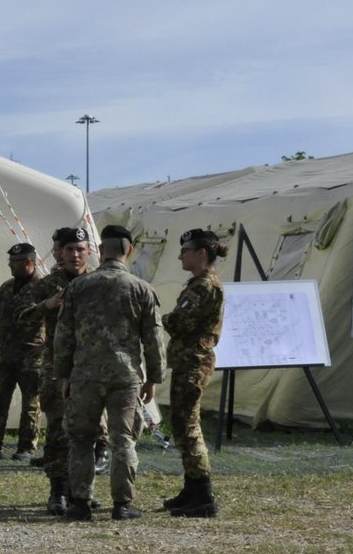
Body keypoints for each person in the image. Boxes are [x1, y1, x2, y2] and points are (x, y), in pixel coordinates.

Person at [54, 223, 165, 521]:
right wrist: (154, 378)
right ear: (129, 251)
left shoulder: (78, 287)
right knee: (123, 440)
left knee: (80, 439)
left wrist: (63, 375)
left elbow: (63, 335)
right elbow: (153, 338)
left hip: (84, 376)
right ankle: (122, 504)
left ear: (100, 251)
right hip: (124, 377)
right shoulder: (141, 289)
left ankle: (79, 502)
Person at [161, 228, 227, 518]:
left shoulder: (204, 286)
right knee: (181, 424)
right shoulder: (198, 283)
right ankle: (192, 487)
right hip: (188, 361)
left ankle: (202, 493)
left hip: (193, 362)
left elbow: (179, 322)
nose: (180, 256)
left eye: (185, 251)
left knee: (188, 426)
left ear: (202, 253)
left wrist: (158, 317)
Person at [30, 227, 93, 514]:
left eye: (80, 249)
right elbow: (19, 315)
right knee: (57, 428)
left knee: (87, 430)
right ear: (61, 252)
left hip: (91, 366)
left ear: (89, 251)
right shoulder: (47, 284)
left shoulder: (97, 282)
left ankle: (82, 490)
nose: (75, 254)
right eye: (70, 249)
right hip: (57, 366)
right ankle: (58, 490)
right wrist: (47, 305)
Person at [0, 242, 45, 460]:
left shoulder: (44, 287)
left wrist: (46, 344)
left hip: (32, 357)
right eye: (11, 262)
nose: (11, 266)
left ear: (29, 262)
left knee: (31, 404)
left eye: (16, 262)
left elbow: (60, 319)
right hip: (6, 356)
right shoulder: (7, 287)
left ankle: (26, 447)